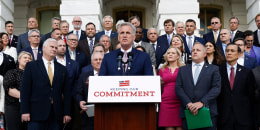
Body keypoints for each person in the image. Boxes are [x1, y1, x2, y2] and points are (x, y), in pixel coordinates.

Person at [20, 38, 71, 130]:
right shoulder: (31, 66)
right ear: (43, 48)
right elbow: (25, 90)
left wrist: (67, 112)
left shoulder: (62, 69)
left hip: (56, 114)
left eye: (56, 48)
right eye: (52, 47)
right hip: (35, 113)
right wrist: (25, 111)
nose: (54, 49)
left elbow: (67, 93)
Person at [175, 42, 221, 130]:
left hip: (207, 112)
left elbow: (216, 88)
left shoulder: (214, 69)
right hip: (188, 112)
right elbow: (178, 88)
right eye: (193, 50)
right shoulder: (182, 70)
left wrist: (202, 102)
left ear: (204, 54)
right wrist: (189, 104)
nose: (195, 52)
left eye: (198, 50)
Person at [217, 43, 256, 129]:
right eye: (227, 51)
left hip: (243, 118)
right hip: (224, 118)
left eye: (232, 51)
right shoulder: (217, 71)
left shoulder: (246, 72)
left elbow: (252, 96)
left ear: (238, 54)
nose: (229, 53)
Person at [75, 52, 104, 130]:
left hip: (106, 114)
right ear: (91, 62)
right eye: (96, 59)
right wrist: (80, 101)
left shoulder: (110, 75)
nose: (98, 61)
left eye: (100, 59)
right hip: (89, 116)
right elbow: (78, 93)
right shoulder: (84, 76)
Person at [3, 51, 32, 130]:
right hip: (14, 106)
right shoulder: (12, 72)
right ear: (19, 59)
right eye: (25, 58)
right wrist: (27, 98)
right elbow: (10, 90)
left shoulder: (34, 74)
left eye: (30, 59)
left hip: (31, 107)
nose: (28, 59)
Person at [158, 46, 184, 130]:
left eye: (173, 53)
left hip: (180, 101)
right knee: (169, 127)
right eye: (168, 53)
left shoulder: (183, 68)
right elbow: (159, 85)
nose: (170, 55)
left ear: (178, 56)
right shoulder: (162, 69)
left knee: (180, 127)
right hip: (166, 101)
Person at [56, 40, 80, 130]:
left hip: (70, 100)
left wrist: (69, 95)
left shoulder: (74, 64)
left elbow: (77, 81)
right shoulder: (50, 63)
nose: (62, 47)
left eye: (64, 45)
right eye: (60, 45)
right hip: (54, 101)